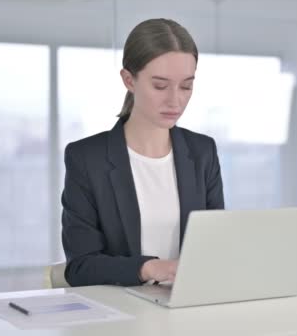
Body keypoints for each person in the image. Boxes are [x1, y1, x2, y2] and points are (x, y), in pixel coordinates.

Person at [61, 18, 224, 287]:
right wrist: (147, 269)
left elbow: (215, 247)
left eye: (186, 86)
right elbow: (80, 267)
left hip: (190, 309)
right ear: (129, 80)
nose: (175, 100)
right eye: (160, 85)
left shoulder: (203, 152)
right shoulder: (86, 158)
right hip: (123, 317)